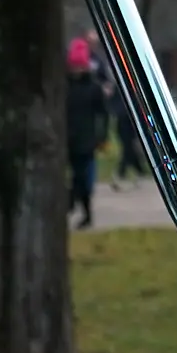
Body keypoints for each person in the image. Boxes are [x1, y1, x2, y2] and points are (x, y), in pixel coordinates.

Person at [65, 37, 108, 230]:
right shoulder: (64, 87)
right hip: (67, 138)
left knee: (82, 177)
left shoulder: (93, 88)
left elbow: (103, 114)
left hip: (86, 139)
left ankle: (81, 208)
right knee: (74, 175)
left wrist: (102, 136)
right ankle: (73, 203)